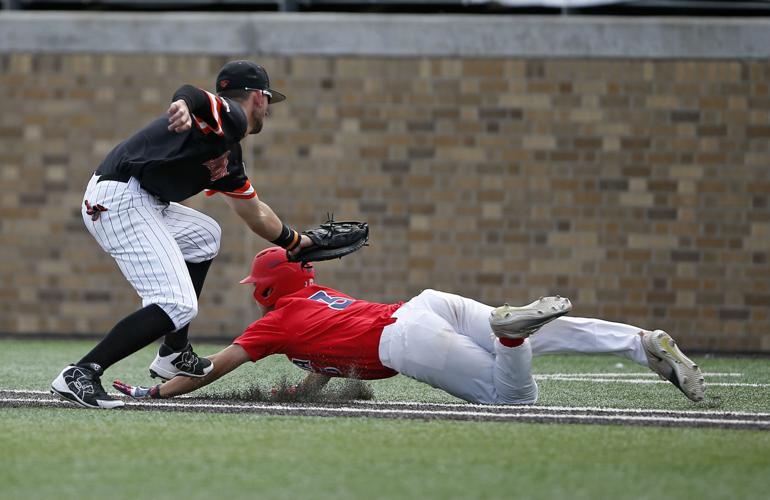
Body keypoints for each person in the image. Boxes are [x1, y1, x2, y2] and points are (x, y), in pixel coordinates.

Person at [113, 247, 706, 406]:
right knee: (555, 334)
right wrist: (301, 393)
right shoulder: (319, 295)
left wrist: (154, 391)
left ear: (266, 291)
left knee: (514, 396)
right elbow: (325, 362)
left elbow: (213, 368)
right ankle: (639, 342)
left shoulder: (275, 325)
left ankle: (510, 334)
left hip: (404, 340)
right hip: (424, 306)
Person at [51, 61, 313, 409]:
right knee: (177, 303)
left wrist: (299, 242)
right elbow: (193, 93)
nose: (269, 109)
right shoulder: (232, 116)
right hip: (119, 199)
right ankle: (81, 373)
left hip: (140, 199)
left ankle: (173, 352)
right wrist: (182, 104)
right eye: (268, 100)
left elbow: (256, 213)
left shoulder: (228, 153)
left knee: (205, 235)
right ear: (258, 98)